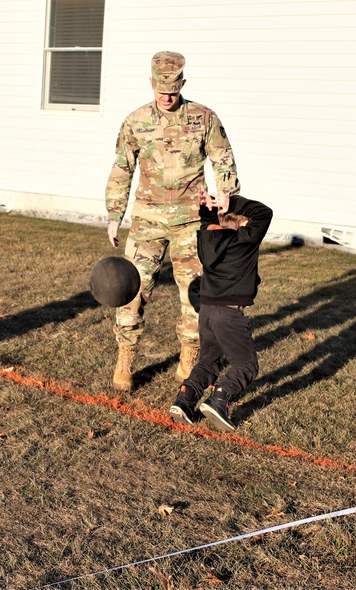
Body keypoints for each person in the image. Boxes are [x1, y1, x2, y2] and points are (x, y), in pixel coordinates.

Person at [105, 51, 240, 391]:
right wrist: (113, 215)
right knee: (132, 293)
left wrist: (228, 203)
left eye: (174, 88)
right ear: (152, 83)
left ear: (182, 83)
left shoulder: (203, 118)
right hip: (146, 223)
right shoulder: (135, 121)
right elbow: (123, 168)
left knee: (194, 296)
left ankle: (188, 362)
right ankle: (125, 360)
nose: (167, 95)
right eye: (161, 88)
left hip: (190, 223)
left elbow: (223, 160)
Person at [169, 193, 272, 432]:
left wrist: (207, 209)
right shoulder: (244, 241)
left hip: (207, 311)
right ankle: (219, 399)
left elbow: (207, 223)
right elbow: (264, 213)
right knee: (246, 365)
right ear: (242, 224)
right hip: (229, 313)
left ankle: (185, 398)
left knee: (208, 361)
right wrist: (233, 202)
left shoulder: (207, 238)